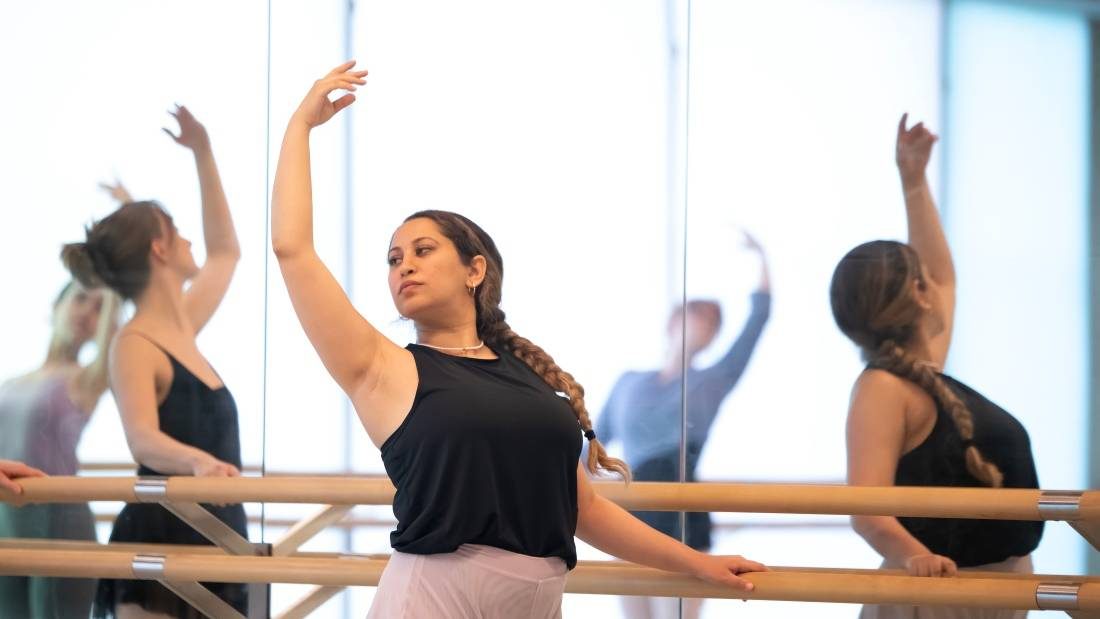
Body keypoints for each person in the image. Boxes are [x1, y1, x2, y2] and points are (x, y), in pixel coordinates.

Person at [271, 60, 768, 618]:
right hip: (434, 597)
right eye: (393, 259)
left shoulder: (530, 375)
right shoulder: (383, 369)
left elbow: (583, 510)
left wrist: (697, 564)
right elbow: (294, 250)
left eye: (422, 250)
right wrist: (299, 127)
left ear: (474, 270)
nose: (403, 266)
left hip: (536, 599)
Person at [830, 114, 1042, 619]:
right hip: (938, 594)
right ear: (918, 297)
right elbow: (867, 509)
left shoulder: (920, 375)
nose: (938, 282)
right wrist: (916, 557)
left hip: (992, 588)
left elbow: (942, 274)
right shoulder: (884, 387)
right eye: (924, 279)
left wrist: (913, 180)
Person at [62, 105, 248, 619]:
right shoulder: (135, 343)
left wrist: (204, 152)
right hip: (165, 536)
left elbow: (226, 252)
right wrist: (195, 462)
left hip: (216, 532)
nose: (192, 239)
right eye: (178, 230)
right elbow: (141, 437)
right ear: (160, 250)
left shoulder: (182, 326)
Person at [597, 232, 770, 618]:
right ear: (675, 321)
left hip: (681, 497)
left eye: (713, 324)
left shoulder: (712, 380)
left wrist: (761, 259)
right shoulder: (629, 382)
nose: (706, 327)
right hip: (634, 501)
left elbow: (757, 322)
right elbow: (590, 442)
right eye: (700, 316)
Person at [0, 204, 123, 617]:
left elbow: (115, 333)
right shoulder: (11, 382)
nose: (88, 315)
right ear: (56, 306)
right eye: (81, 300)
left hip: (59, 518)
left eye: (99, 310)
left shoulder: (87, 379)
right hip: (5, 517)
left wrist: (120, 239)